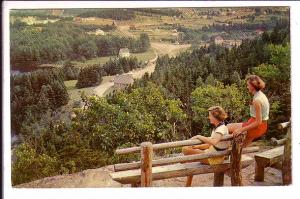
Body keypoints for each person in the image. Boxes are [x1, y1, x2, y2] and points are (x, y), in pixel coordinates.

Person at [182, 106, 229, 187]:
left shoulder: (221, 129)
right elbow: (210, 144)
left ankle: (185, 162)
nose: (209, 117)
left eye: (210, 115)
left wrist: (199, 136)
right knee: (189, 151)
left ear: (215, 117)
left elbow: (213, 142)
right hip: (212, 155)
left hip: (214, 159)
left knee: (185, 149)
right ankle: (186, 164)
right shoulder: (218, 128)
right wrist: (196, 147)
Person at [227, 75, 269, 147]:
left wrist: (241, 129)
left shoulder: (257, 100)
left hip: (257, 126)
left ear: (253, 86)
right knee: (242, 147)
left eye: (248, 85)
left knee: (226, 128)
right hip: (262, 125)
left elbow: (258, 122)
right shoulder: (261, 95)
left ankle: (221, 150)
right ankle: (229, 152)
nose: (247, 87)